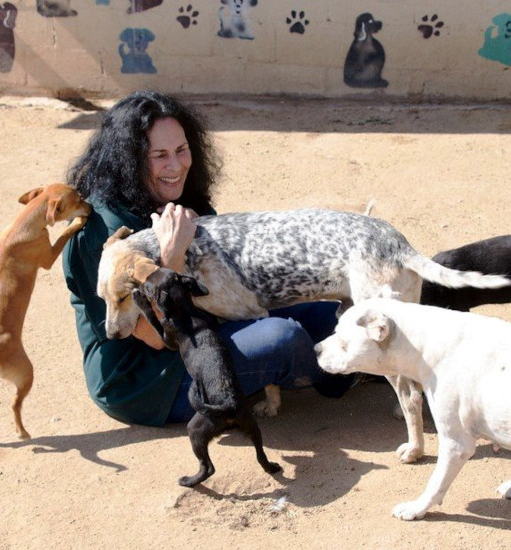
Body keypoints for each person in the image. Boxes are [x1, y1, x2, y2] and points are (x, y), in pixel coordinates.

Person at [63, 90, 352, 426]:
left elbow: (229, 284)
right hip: (148, 381)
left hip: (208, 328)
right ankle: (342, 376)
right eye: (159, 155)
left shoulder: (183, 200)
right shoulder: (100, 234)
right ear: (129, 160)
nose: (175, 166)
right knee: (283, 340)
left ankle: (368, 356)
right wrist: (170, 258)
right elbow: (157, 338)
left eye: (181, 150)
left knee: (336, 316)